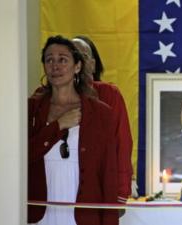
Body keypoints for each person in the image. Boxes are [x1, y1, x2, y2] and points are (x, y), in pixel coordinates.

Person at [28, 35, 119, 225]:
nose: (55, 65)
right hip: (39, 209)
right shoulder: (31, 109)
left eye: (63, 59)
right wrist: (58, 125)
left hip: (84, 212)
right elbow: (21, 158)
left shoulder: (101, 113)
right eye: (49, 59)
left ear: (77, 66)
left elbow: (108, 173)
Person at [72, 36, 133, 204]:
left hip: (98, 187)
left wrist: (121, 194)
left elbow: (122, 145)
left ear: (92, 64)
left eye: (82, 57)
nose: (77, 62)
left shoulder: (109, 94)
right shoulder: (45, 96)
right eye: (71, 56)